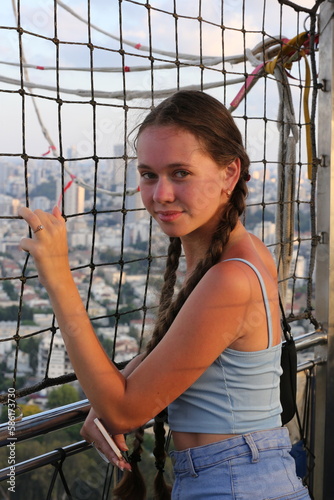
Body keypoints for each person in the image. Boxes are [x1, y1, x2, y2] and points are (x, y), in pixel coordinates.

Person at [18, 90, 311, 500]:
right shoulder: (237, 254)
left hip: (234, 484)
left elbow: (125, 410)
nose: (160, 195)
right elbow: (176, 354)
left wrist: (58, 277)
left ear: (229, 174)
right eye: (149, 174)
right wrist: (106, 399)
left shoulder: (231, 277)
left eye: (180, 173)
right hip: (241, 475)